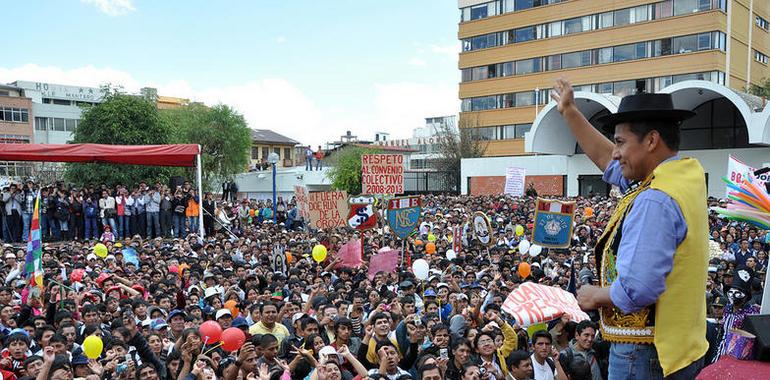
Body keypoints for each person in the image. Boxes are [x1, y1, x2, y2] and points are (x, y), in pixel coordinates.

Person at [553, 78, 708, 378]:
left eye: (621, 142)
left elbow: (639, 288)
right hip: (681, 347)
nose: (614, 152)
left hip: (645, 353)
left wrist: (594, 295)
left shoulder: (654, 200)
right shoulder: (683, 175)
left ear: (651, 141)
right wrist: (570, 111)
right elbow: (606, 160)